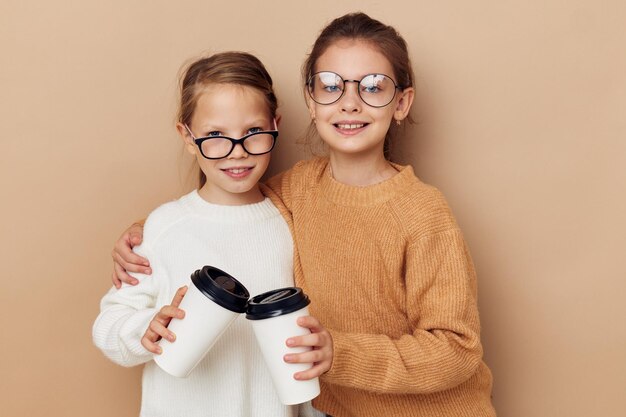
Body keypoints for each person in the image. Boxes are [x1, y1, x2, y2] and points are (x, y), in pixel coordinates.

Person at [110, 13, 497, 417]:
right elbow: (228, 209)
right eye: (331, 85)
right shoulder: (299, 189)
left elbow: (457, 349)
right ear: (311, 102)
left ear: (401, 103)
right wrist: (143, 233)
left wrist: (339, 353)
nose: (350, 102)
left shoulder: (423, 214)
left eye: (373, 87)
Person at [93, 51, 331, 417]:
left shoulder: (293, 222)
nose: (237, 152)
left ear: (275, 125)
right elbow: (108, 327)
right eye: (215, 135)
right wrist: (147, 328)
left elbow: (308, 342)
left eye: (252, 132)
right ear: (187, 137)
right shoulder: (163, 227)